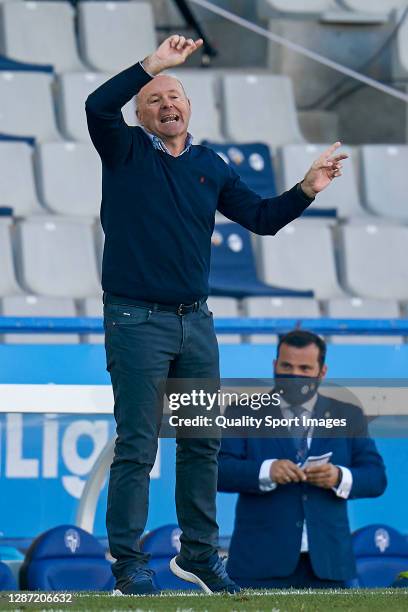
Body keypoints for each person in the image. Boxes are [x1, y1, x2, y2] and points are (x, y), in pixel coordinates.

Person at [85, 33, 347, 595]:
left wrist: (305, 188)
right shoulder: (123, 148)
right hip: (136, 320)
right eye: (154, 99)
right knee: (138, 442)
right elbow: (96, 106)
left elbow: (262, 218)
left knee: (203, 442)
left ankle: (200, 556)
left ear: (190, 108)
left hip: (195, 323)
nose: (168, 104)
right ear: (139, 114)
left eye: (175, 96)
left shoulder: (210, 164)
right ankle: (128, 564)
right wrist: (152, 64)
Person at [218, 330, 387, 588]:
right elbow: (218, 471)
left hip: (330, 566)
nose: (294, 375)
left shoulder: (349, 414)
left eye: (305, 368)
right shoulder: (241, 411)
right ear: (275, 365)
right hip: (258, 563)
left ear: (322, 371)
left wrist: (339, 477)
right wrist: (266, 471)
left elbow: (376, 478)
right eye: (287, 365)